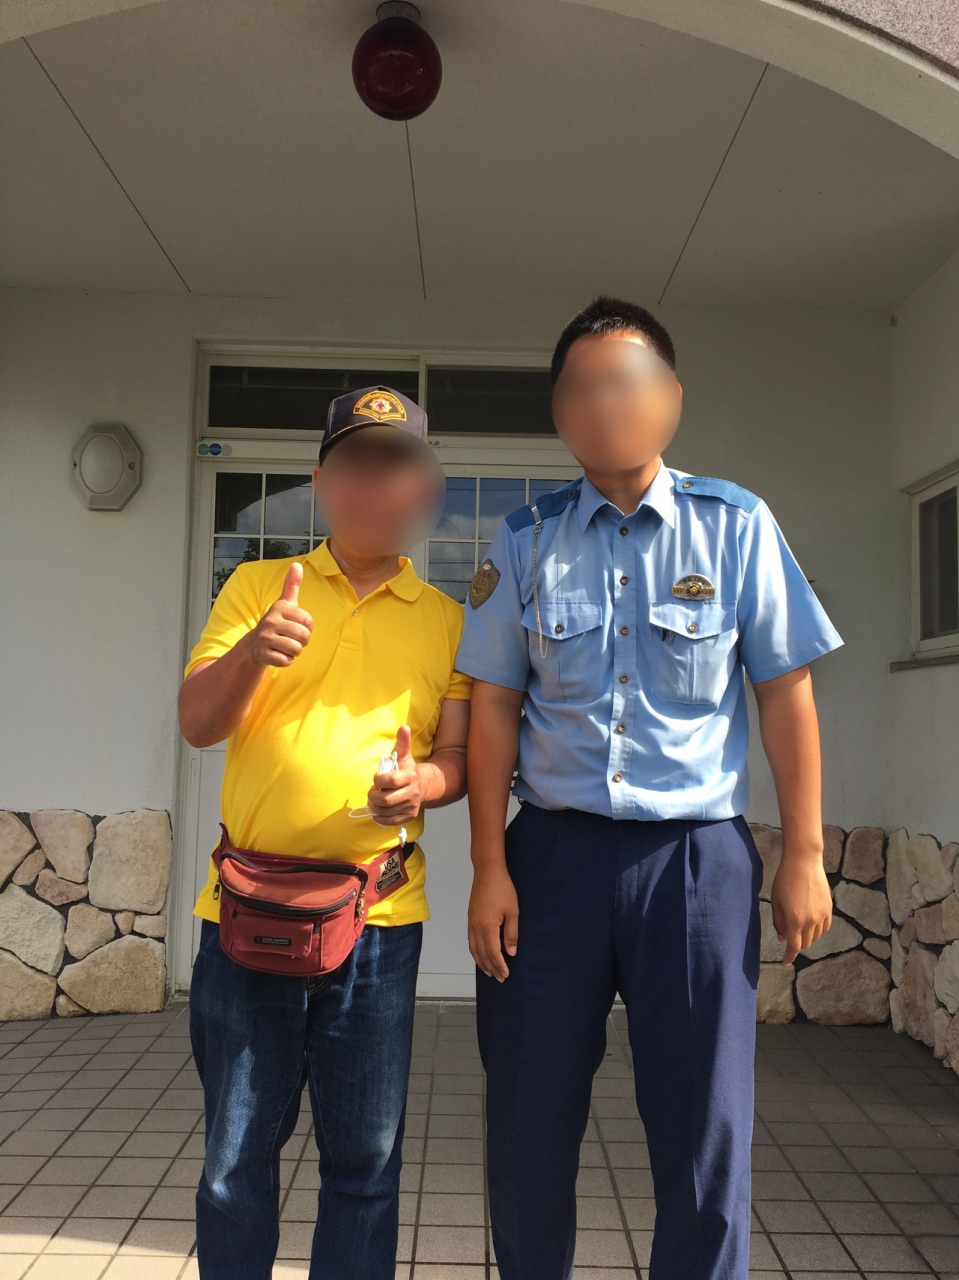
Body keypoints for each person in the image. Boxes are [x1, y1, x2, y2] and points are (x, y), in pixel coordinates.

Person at [456, 297, 843, 1280]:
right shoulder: (525, 538)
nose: (603, 404)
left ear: (669, 397)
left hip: (694, 861)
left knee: (705, 1131)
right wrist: (488, 865)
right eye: (580, 388)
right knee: (526, 1123)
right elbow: (493, 707)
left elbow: (784, 691)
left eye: (623, 383)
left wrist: (803, 852)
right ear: (558, 412)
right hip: (551, 861)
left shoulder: (735, 525)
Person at [179, 386, 471, 1280]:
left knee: (365, 1164)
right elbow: (197, 723)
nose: (371, 485)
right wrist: (253, 650)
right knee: (234, 1162)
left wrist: (420, 785)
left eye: (395, 467)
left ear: (422, 490)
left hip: (375, 924)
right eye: (353, 465)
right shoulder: (258, 587)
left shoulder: (447, 621)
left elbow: (457, 761)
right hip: (246, 913)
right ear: (319, 480)